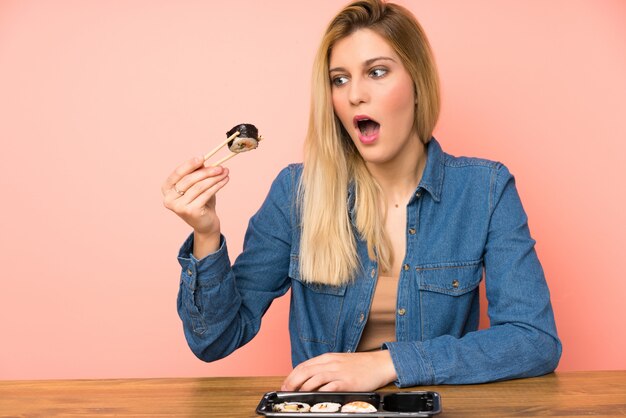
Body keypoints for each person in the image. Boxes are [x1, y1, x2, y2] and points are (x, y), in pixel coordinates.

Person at [162, 0, 561, 391]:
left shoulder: (485, 190)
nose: (354, 95)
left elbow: (533, 339)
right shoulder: (296, 193)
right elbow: (214, 340)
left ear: (418, 84)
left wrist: (387, 363)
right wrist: (206, 235)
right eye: (340, 79)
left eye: (377, 72)